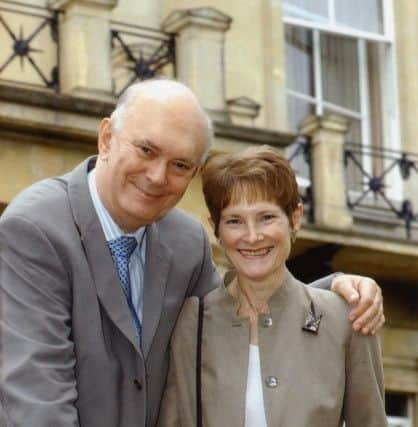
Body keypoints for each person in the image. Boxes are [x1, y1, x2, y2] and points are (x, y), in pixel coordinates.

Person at [0, 80, 383, 427]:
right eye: (146, 149)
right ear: (106, 138)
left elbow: (236, 317)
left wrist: (334, 295)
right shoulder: (34, 229)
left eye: (180, 165)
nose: (157, 176)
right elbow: (37, 401)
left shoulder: (186, 240)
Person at [157, 146, 387, 427]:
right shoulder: (190, 321)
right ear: (215, 228)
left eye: (266, 217)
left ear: (295, 218)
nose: (252, 236)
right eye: (234, 221)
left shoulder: (347, 318)